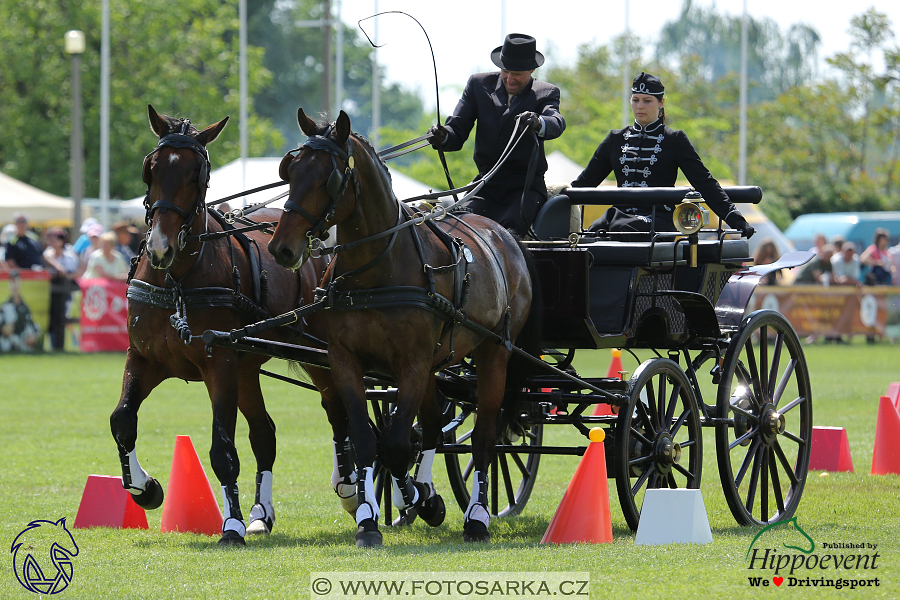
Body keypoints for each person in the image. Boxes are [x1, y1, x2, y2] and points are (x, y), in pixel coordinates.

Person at [571, 72, 754, 240]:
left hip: (658, 220)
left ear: (661, 103)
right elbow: (584, 183)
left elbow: (704, 182)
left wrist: (735, 218)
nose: (640, 106)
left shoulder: (674, 140)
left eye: (647, 100)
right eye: (635, 100)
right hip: (618, 215)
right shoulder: (615, 139)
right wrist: (553, 200)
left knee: (623, 232)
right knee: (588, 238)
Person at [429, 33, 566, 236]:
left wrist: (538, 122)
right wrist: (443, 135)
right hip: (485, 186)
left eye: (517, 73)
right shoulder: (478, 85)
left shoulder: (546, 93)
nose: (510, 79)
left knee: (509, 232)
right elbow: (456, 131)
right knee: (462, 230)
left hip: (525, 189)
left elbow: (556, 122)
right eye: (505, 71)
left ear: (531, 69)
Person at [42, 227, 83, 351]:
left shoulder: (69, 257)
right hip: (47, 292)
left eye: (54, 239)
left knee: (61, 318)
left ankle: (59, 346)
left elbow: (76, 272)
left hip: (64, 293)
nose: (51, 241)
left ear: (61, 241)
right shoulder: (46, 254)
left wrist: (65, 275)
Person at [0, 270, 41, 352]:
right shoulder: (5, 307)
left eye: (16, 281)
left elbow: (31, 324)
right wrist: (3, 329)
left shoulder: (25, 307)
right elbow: (4, 327)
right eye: (12, 282)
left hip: (23, 342)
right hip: (8, 343)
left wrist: (33, 335)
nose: (14, 285)